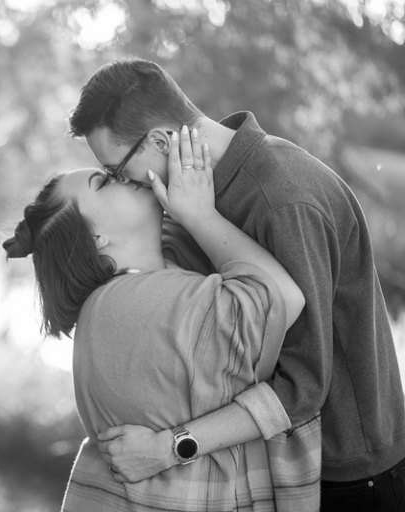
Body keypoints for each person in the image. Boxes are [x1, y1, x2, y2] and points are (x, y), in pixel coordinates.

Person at [68, 58, 405, 510]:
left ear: (161, 140)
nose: (124, 183)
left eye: (119, 169)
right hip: (283, 469)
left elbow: (302, 386)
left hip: (348, 476)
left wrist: (168, 447)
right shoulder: (193, 195)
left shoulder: (283, 201)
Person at [3, 131, 320, 510]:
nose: (121, 176)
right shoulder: (128, 307)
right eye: (104, 181)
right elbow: (281, 300)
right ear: (97, 238)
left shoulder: (151, 276)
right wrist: (201, 214)